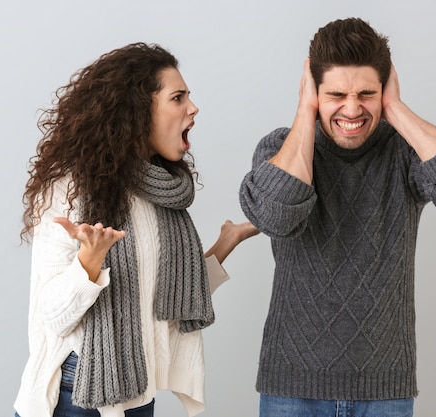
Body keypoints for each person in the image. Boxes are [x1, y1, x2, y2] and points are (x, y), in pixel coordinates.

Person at [239, 17, 436, 417]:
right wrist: (304, 112)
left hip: (385, 390)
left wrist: (396, 109)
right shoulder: (280, 147)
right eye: (335, 94)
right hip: (291, 388)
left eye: (367, 93)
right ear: (313, 91)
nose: (351, 108)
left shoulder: (405, 151)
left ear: (385, 89)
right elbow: (275, 215)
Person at [14, 42, 259, 417]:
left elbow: (168, 297)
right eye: (178, 98)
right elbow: (55, 317)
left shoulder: (160, 191)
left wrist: (224, 245)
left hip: (136, 392)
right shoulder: (70, 189)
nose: (193, 108)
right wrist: (89, 261)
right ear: (138, 111)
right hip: (76, 391)